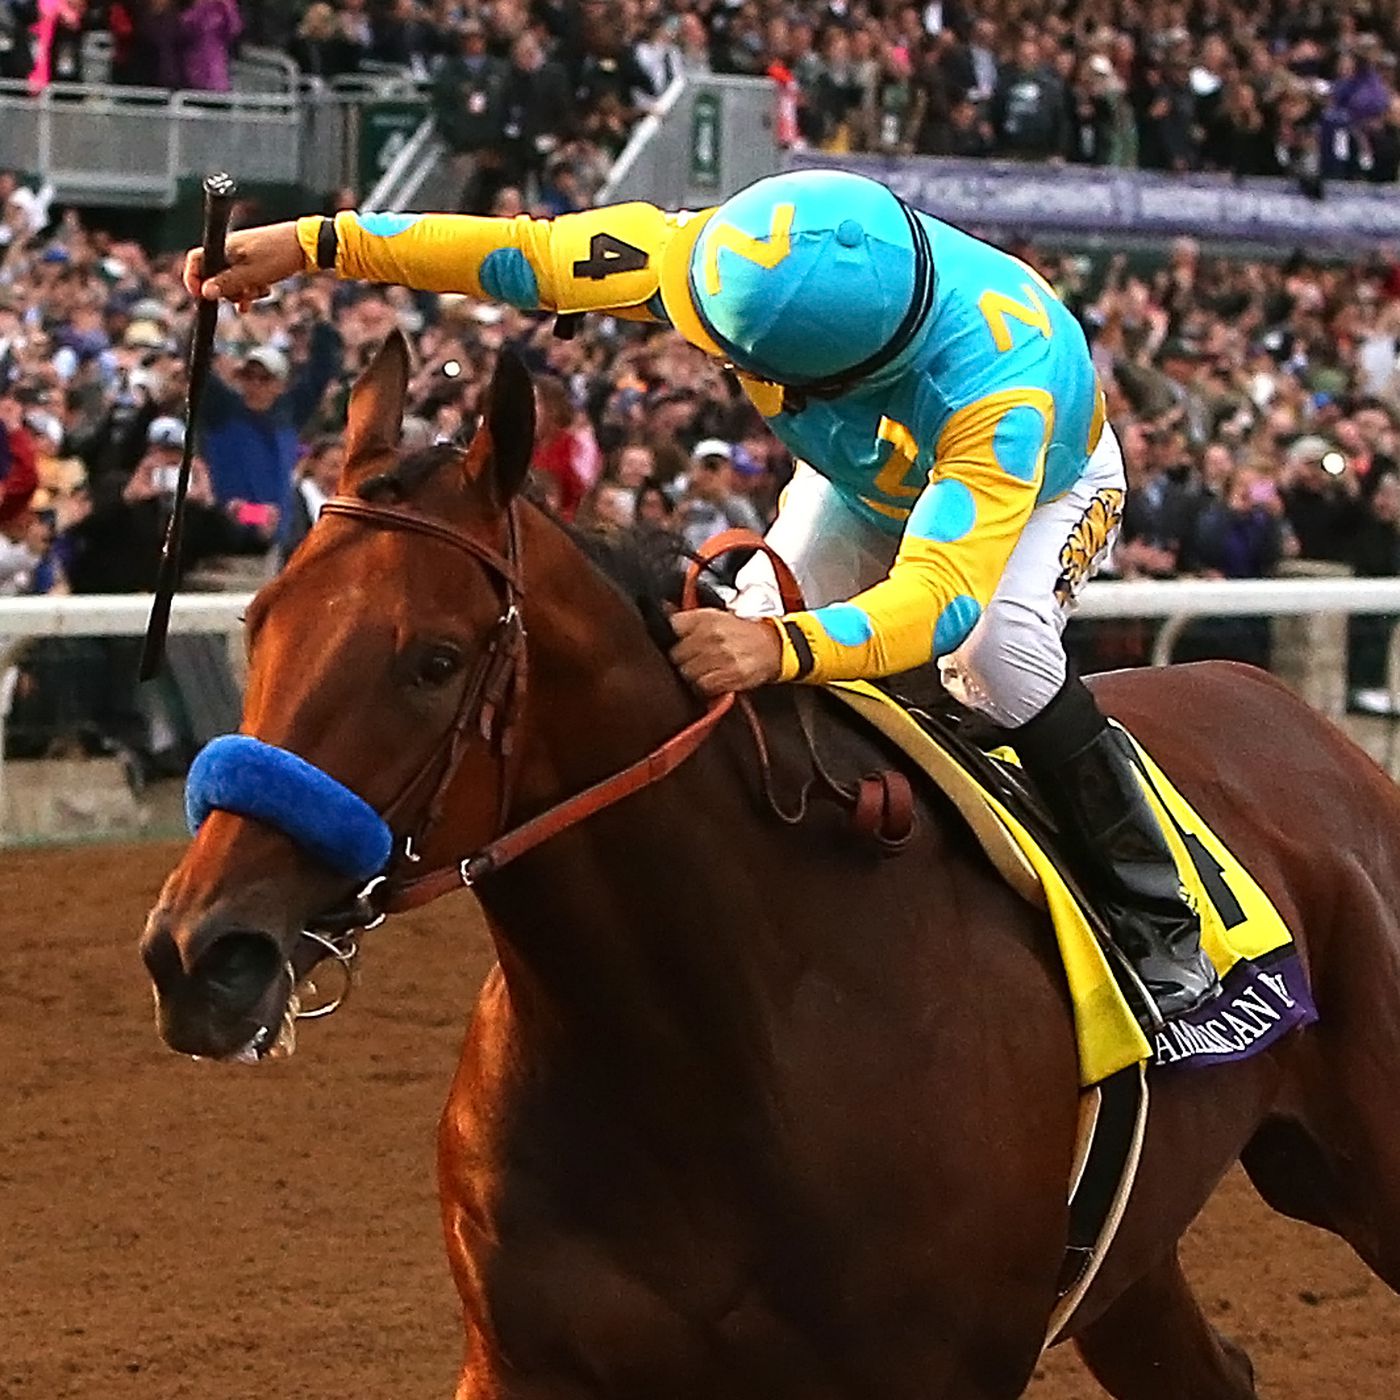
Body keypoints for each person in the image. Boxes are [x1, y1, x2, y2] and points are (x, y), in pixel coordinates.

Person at [181, 168, 1219, 1021]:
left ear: (845, 371)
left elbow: (938, 593)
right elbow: (516, 250)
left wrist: (787, 652)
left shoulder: (999, 385)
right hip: (870, 470)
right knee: (752, 634)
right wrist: (313, 242)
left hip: (1044, 484)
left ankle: (1155, 902)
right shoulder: (709, 256)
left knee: (993, 657)